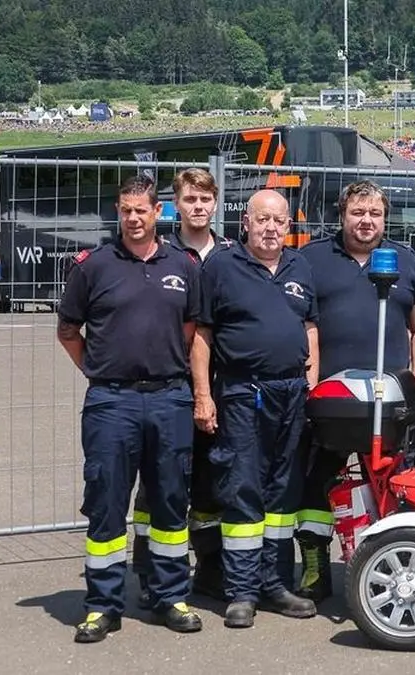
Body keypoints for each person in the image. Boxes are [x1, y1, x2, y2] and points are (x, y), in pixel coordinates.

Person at [57, 175, 203, 642]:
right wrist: (99, 370)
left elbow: (192, 329)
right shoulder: (93, 267)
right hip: (111, 402)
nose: (133, 218)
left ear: (158, 211)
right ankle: (102, 605)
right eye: (125, 210)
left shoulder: (183, 264)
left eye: (140, 210)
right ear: (117, 212)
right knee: (106, 503)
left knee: (170, 501)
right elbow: (67, 331)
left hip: (169, 399)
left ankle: (170, 596)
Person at [296, 180, 415, 600]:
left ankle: (385, 565)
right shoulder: (312, 259)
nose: (366, 221)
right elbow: (306, 327)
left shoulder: (405, 262)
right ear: (342, 215)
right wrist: (309, 384)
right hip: (331, 401)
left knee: (391, 483)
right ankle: (316, 566)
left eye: (375, 214)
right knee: (315, 482)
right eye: (358, 213)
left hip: (387, 401)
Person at [192, 190, 319, 628]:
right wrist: (203, 395)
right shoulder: (222, 266)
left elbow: (309, 327)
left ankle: (276, 583)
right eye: (262, 219)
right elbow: (202, 335)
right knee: (243, 484)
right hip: (243, 392)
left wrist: (312, 383)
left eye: (279, 221)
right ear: (246, 221)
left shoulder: (299, 266)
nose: (270, 228)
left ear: (289, 226)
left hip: (291, 393)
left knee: (283, 491)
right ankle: (241, 591)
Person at [133, 168, 233, 609]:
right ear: (176, 204)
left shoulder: (232, 255)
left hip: (222, 387)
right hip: (170, 388)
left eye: (205, 199)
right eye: (189, 198)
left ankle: (210, 569)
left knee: (212, 483)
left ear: (216, 204)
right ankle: (150, 571)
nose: (198, 206)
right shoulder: (162, 255)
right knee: (158, 483)